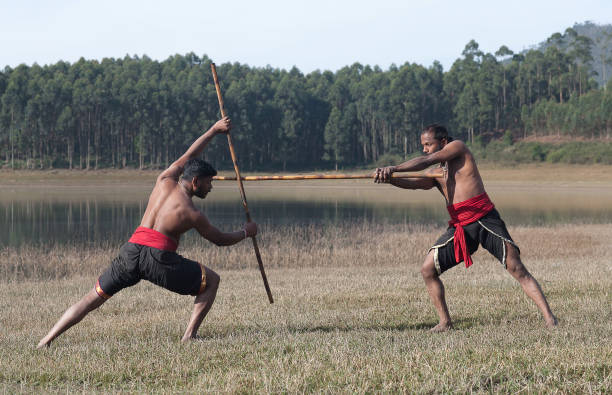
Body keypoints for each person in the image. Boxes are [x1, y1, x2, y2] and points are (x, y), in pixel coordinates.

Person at [38, 116, 256, 347]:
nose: (211, 187)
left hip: (130, 252)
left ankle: (46, 340)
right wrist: (246, 231)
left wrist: (213, 130)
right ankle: (189, 336)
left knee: (92, 297)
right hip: (157, 260)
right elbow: (220, 240)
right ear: (195, 182)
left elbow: (189, 157)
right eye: (209, 183)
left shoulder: (165, 178)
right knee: (211, 281)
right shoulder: (191, 213)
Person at [374, 124, 557, 332]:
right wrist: (390, 179)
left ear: (443, 142)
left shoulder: (458, 148)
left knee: (516, 268)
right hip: (461, 227)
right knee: (427, 270)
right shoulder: (436, 174)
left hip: (485, 219)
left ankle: (550, 319)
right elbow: (414, 183)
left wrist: (395, 168)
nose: (424, 149)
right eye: (422, 145)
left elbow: (426, 160)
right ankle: (445, 322)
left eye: (428, 144)